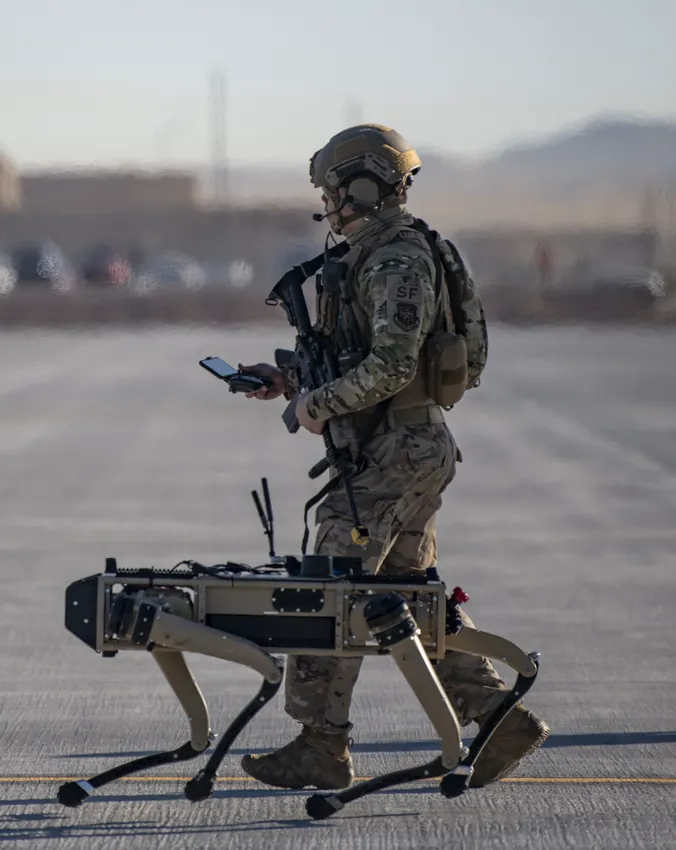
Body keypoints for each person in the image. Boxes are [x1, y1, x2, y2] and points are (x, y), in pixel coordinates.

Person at [237, 124, 549, 791]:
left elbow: (392, 364)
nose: (327, 204)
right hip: (397, 448)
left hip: (398, 452)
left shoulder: (397, 259)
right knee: (404, 598)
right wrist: (290, 381)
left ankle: (321, 745)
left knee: (329, 588)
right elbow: (365, 363)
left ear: (366, 187)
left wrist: (315, 407)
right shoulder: (371, 255)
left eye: (333, 191)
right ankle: (500, 720)